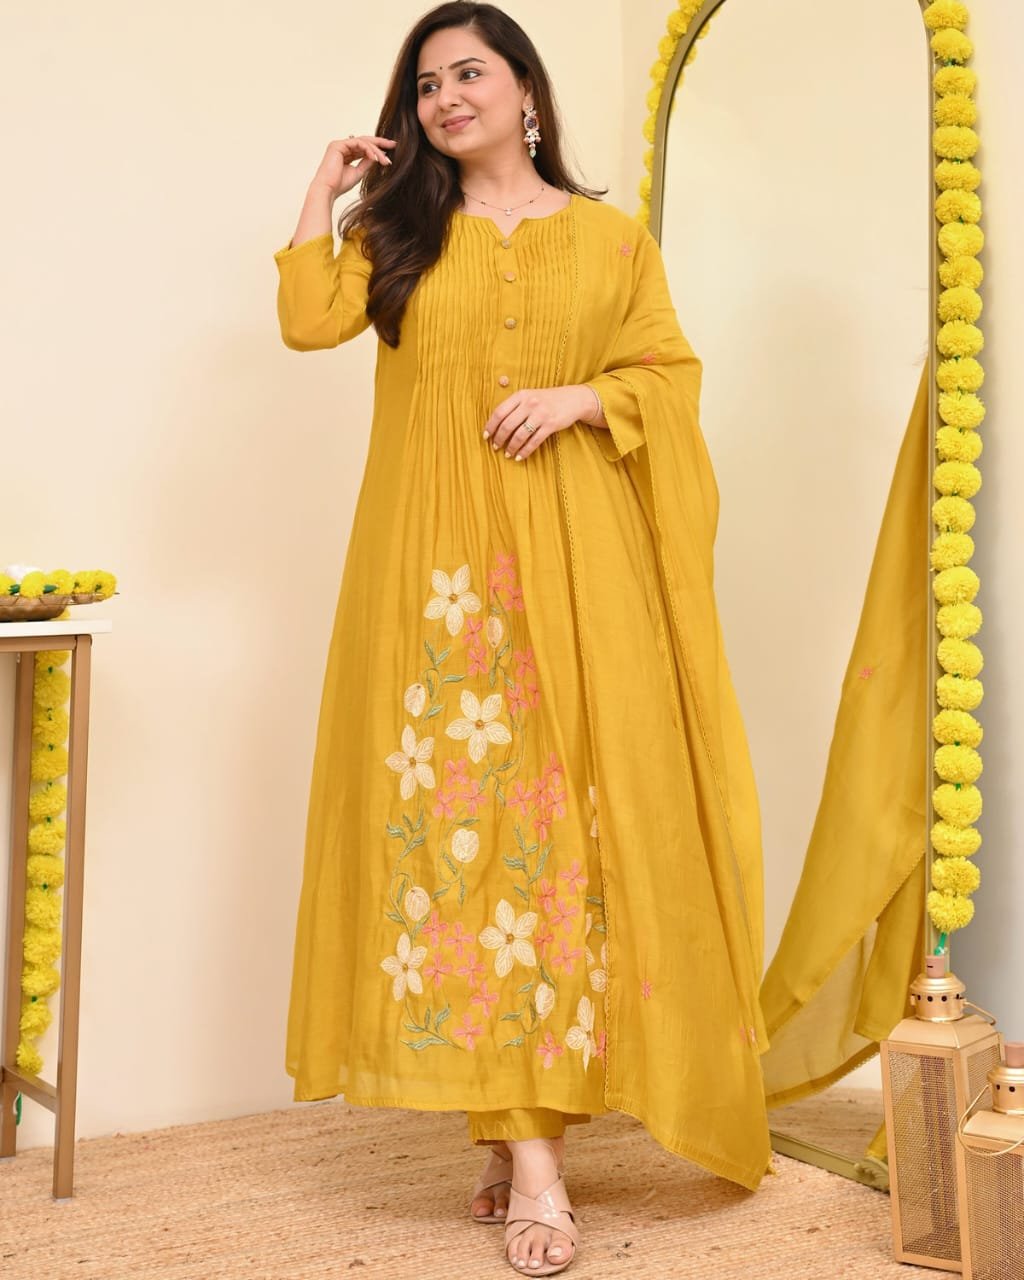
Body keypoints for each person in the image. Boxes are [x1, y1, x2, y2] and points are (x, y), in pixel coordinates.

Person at [273, 3, 772, 1274]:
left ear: (525, 91)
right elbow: (308, 323)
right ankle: (528, 1151)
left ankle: (523, 1134)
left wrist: (584, 397)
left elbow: (668, 374)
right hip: (434, 575)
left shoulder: (611, 240)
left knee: (560, 836)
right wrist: (324, 193)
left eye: (468, 73)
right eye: (424, 84)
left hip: (578, 566)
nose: (445, 97)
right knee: (466, 839)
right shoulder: (398, 235)